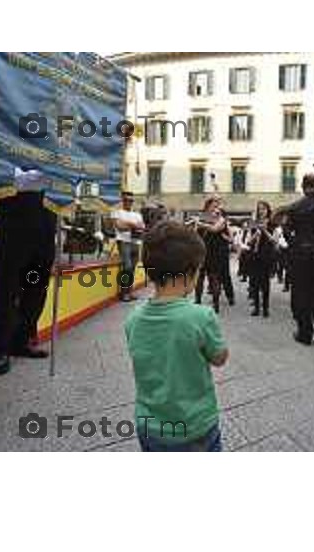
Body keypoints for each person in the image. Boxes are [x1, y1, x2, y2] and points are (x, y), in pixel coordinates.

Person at [126, 221, 229, 452]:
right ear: (190, 273)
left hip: (149, 425)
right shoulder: (201, 317)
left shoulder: (132, 319)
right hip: (194, 426)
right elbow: (219, 358)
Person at [0, 168, 56, 375]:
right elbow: (5, 175)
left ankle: (21, 340)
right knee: (5, 283)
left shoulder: (51, 144)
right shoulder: (8, 138)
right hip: (13, 212)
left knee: (36, 283)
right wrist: (42, 176)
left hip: (45, 213)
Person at [275, 159, 314, 345]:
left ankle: (304, 333)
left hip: (300, 255)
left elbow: (286, 230)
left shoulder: (294, 207)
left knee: (301, 293)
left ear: (302, 187)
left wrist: (295, 243)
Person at [194, 197, 228, 313]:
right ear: (207, 206)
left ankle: (216, 303)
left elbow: (215, 229)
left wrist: (200, 224)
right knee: (200, 277)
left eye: (217, 206)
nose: (215, 208)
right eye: (213, 206)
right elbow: (194, 232)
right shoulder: (202, 217)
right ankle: (197, 300)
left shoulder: (221, 219)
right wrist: (196, 224)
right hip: (202, 251)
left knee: (214, 278)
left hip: (214, 251)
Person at [112, 191, 145, 302]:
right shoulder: (117, 212)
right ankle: (124, 293)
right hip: (124, 242)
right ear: (123, 201)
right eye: (126, 200)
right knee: (127, 267)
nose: (128, 202)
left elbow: (141, 228)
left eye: (131, 200)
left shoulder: (137, 214)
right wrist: (133, 225)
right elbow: (119, 227)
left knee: (132, 269)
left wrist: (128, 224)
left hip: (136, 243)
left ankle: (129, 292)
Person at [247, 201, 278, 317]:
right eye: (259, 209)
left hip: (266, 255)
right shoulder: (254, 223)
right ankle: (256, 307)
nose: (261, 211)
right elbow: (249, 241)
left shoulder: (272, 224)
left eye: (264, 209)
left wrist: (264, 230)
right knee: (254, 282)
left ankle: (265, 308)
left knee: (265, 283)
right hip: (255, 255)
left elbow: (275, 241)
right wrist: (256, 234)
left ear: (268, 210)